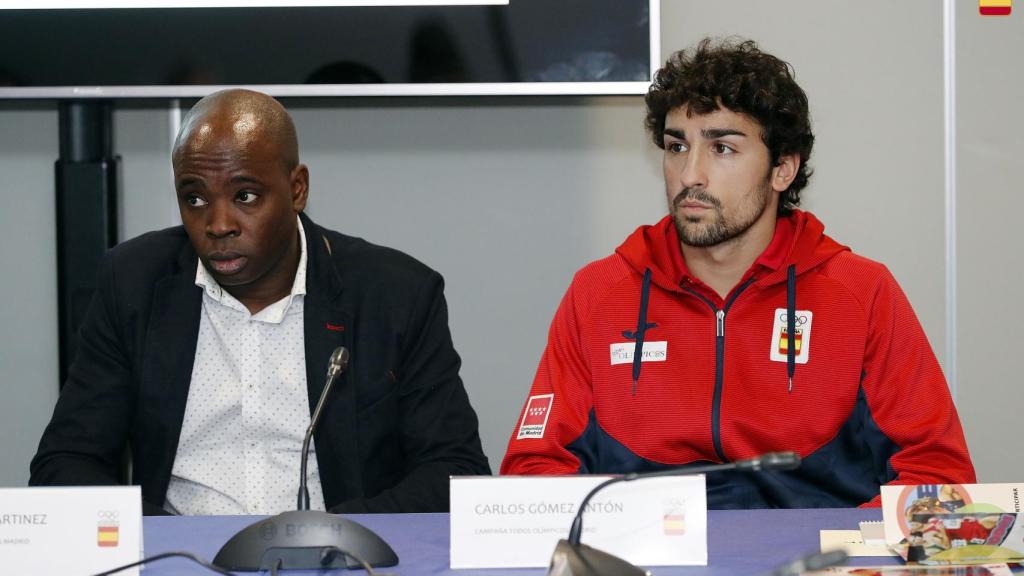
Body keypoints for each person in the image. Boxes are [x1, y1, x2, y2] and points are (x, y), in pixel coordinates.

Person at [500, 38, 975, 507]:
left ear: (783, 169)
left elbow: (938, 475)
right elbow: (534, 471)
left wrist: (843, 547)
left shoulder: (861, 292)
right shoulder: (600, 291)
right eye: (675, 146)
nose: (689, 175)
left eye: (722, 148)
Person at [31, 89, 490, 515]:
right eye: (194, 198)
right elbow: (67, 462)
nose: (218, 223)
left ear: (297, 190)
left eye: (245, 195)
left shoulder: (393, 294)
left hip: (337, 557)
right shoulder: (133, 283)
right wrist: (141, 542)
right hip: (184, 559)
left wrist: (334, 534)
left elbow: (454, 469)